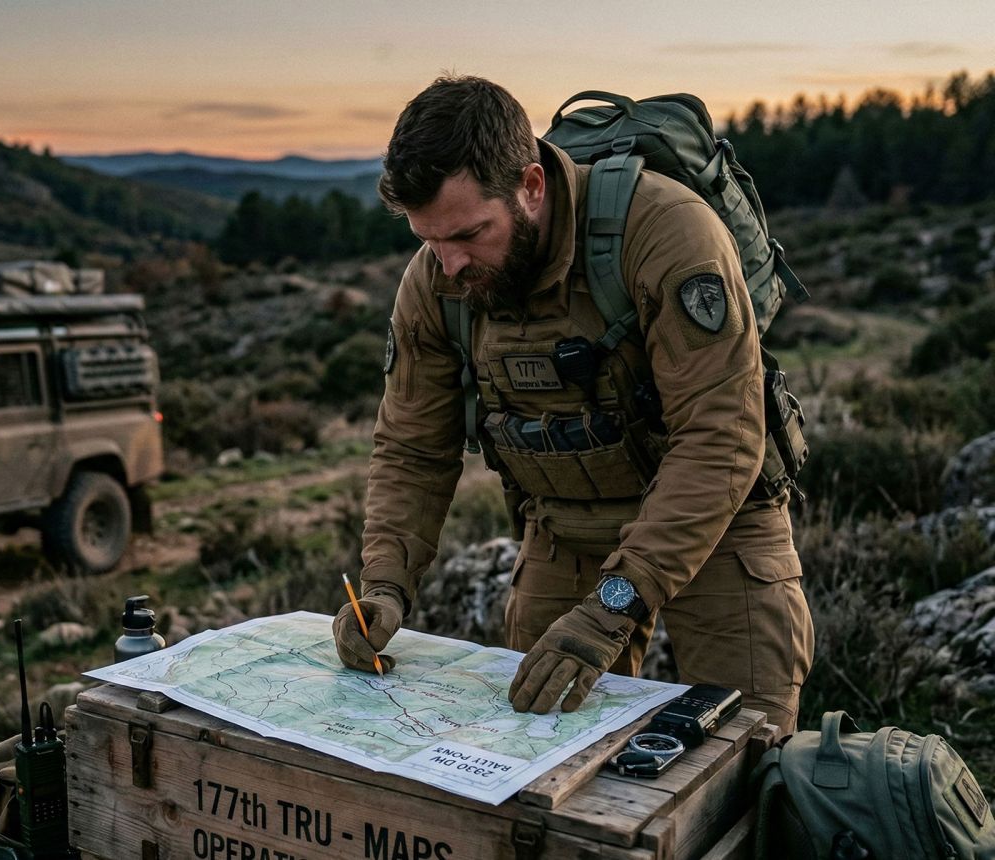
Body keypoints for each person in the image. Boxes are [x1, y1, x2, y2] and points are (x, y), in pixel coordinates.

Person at [332, 75, 813, 736]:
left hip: (717, 527)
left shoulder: (666, 232)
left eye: (470, 234)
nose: (448, 265)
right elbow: (414, 446)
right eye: (428, 239)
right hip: (563, 529)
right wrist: (384, 585)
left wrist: (610, 609)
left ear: (530, 186)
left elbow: (721, 438)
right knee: (535, 755)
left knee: (747, 757)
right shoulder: (436, 279)